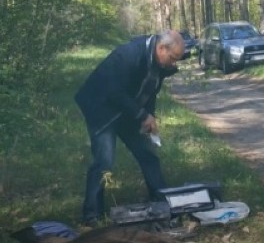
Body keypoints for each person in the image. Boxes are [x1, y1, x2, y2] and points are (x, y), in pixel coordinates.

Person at [74, 30, 185, 228]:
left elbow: (150, 92)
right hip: (101, 108)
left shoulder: (158, 63)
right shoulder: (129, 55)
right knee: (104, 161)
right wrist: (141, 115)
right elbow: (113, 91)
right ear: (161, 48)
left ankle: (162, 203)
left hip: (126, 109)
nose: (174, 63)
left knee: (147, 155)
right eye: (173, 58)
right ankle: (91, 215)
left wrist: (149, 117)